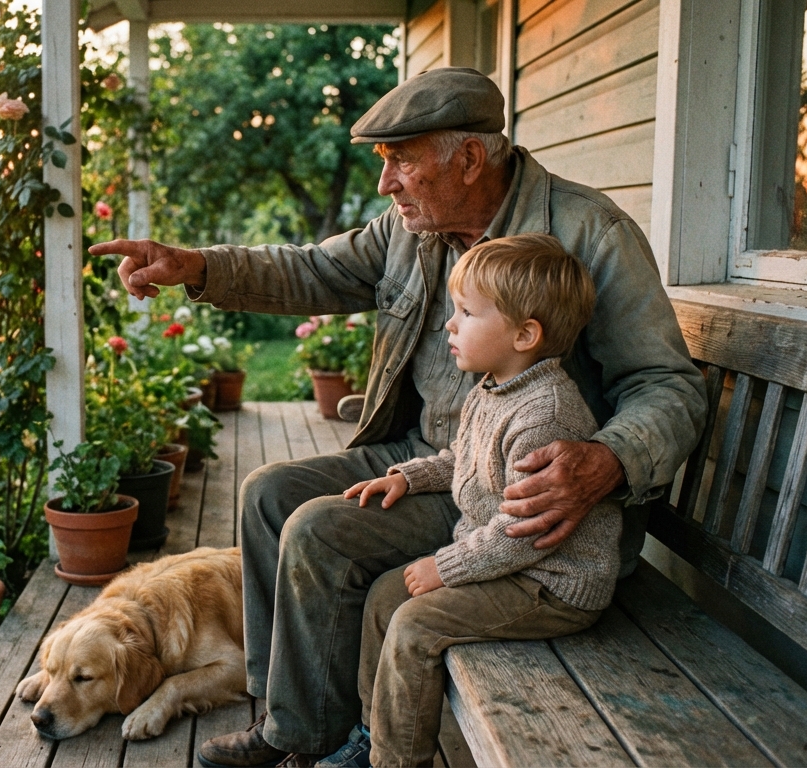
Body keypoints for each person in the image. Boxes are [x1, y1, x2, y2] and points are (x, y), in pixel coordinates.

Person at [88, 67, 707, 766]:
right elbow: (312, 271)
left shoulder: (590, 233)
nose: (386, 185)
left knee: (320, 530)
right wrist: (198, 266)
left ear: (469, 159)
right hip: (428, 457)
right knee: (268, 494)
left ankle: (328, 737)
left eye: (401, 161)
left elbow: (669, 386)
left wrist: (607, 461)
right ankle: (287, 719)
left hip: (512, 497)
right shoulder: (413, 231)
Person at [316, 233, 620, 768]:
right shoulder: (495, 386)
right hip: (513, 566)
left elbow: (521, 530)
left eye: (466, 313)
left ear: (525, 334)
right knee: (386, 595)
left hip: (551, 582)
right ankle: (371, 733)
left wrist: (446, 567)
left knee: (415, 625)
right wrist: (409, 478)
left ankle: (397, 760)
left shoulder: (544, 416)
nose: (450, 325)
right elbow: (466, 456)